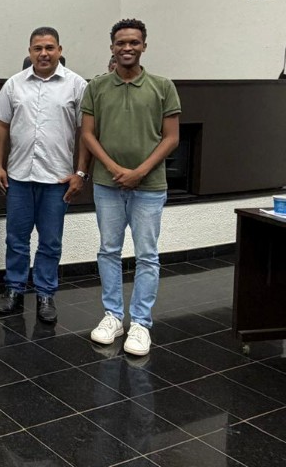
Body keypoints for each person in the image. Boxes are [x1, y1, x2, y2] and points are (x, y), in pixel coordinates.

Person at [82, 18, 181, 357]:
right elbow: (88, 135)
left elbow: (171, 138)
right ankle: (113, 316)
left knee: (147, 255)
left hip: (149, 186)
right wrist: (114, 169)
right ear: (112, 47)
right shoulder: (96, 87)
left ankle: (140, 323)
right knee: (108, 250)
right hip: (107, 185)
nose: (127, 48)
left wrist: (139, 171)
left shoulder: (163, 86)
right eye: (121, 42)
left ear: (144, 46)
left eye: (134, 42)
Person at [0, 27, 89, 323]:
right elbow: (0, 126)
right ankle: (14, 289)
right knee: (16, 239)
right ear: (30, 52)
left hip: (57, 180)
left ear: (59, 50)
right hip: (19, 177)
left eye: (49, 48)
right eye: (37, 48)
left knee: (50, 241)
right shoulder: (14, 84)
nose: (43, 53)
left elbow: (87, 132)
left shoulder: (76, 85)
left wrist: (81, 172)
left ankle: (46, 293)